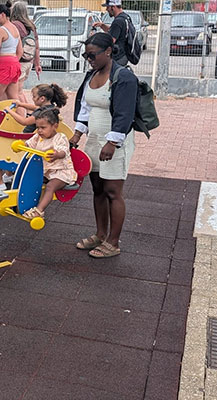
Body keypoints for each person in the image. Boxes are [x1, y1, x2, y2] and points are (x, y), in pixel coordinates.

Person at [71, 32, 138, 258]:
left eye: (92, 55)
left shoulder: (123, 77)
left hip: (114, 142)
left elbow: (125, 114)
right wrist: (77, 134)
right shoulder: (92, 75)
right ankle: (100, 234)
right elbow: (85, 107)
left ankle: (113, 242)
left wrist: (112, 142)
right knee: (97, 188)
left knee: (112, 191)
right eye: (85, 55)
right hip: (94, 139)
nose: (88, 59)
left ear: (108, 51)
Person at [0, 1, 23, 190]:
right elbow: (20, 51)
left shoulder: (0, 31)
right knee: (11, 100)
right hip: (15, 64)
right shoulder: (15, 29)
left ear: (1, 14)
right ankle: (15, 123)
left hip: (5, 65)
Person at [20, 106, 76, 219]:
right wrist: (20, 146)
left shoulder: (60, 138)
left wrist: (57, 154)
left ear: (55, 125)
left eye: (43, 127)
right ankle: (24, 203)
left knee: (50, 187)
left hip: (61, 171)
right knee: (31, 180)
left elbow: (63, 151)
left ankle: (39, 211)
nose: (39, 130)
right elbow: (28, 144)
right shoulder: (38, 137)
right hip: (47, 171)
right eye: (37, 127)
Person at [9, 1, 41, 103]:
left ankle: (27, 113)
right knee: (19, 91)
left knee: (16, 92)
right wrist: (37, 64)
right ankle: (27, 113)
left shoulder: (14, 25)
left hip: (19, 62)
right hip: (28, 62)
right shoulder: (31, 25)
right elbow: (36, 47)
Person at [92, 0, 136, 67]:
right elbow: (115, 32)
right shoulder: (125, 17)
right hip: (123, 56)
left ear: (113, 7)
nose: (106, 9)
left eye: (108, 7)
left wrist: (95, 38)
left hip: (117, 57)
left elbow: (110, 41)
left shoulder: (118, 21)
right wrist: (102, 25)